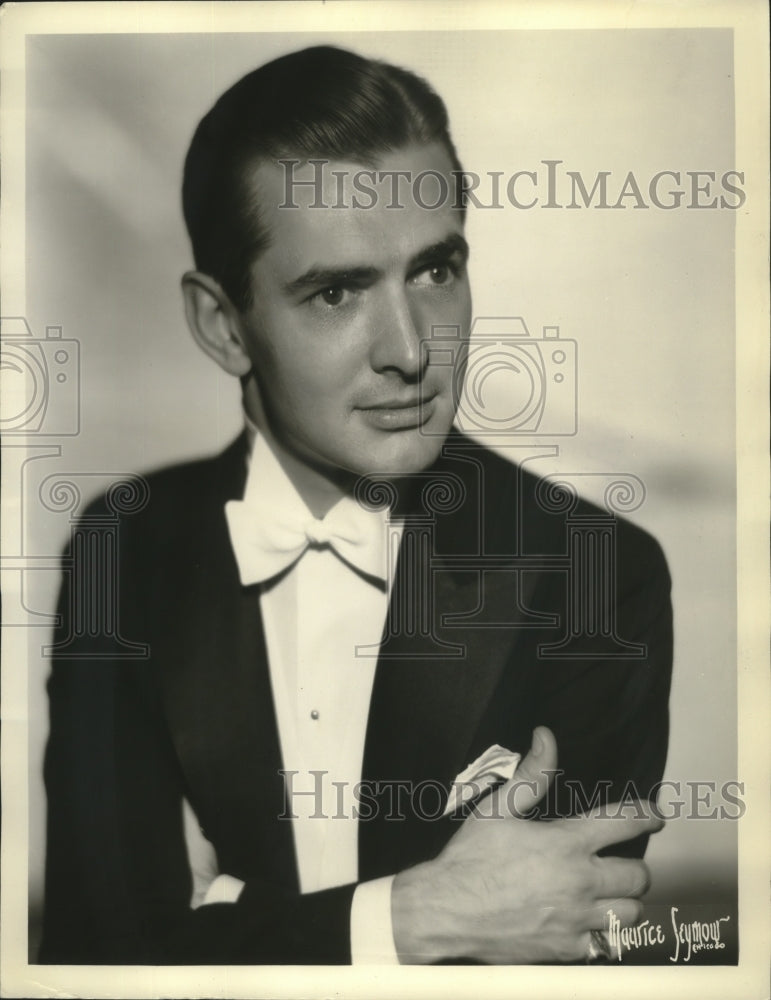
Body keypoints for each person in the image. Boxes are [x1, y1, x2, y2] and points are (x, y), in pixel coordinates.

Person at [39, 45, 672, 966]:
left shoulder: (594, 574)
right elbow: (98, 960)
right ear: (223, 325)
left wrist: (222, 919)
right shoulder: (123, 551)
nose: (412, 351)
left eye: (434, 271)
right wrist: (407, 919)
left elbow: (554, 952)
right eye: (335, 292)